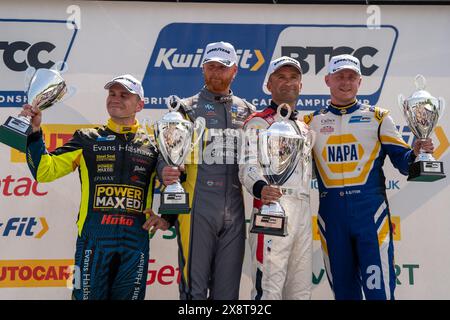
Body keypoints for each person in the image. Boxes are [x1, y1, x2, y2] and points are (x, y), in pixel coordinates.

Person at [304, 54, 434, 300]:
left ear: (360, 82)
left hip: (371, 215)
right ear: (327, 80)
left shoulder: (379, 117)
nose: (345, 82)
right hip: (332, 217)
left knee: (380, 292)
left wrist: (417, 152)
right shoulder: (312, 122)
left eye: (351, 77)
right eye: (340, 76)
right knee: (344, 294)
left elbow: (404, 164)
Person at [21, 74, 160, 300]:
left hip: (134, 245)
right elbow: (44, 171)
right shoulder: (87, 139)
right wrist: (35, 131)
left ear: (140, 105)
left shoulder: (154, 144)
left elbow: (176, 183)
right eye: (112, 94)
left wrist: (168, 217)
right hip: (92, 243)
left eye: (124, 95)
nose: (116, 98)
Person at [148, 41, 255, 300]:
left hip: (235, 208)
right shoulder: (185, 109)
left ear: (235, 71)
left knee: (228, 293)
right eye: (210, 66)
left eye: (222, 67)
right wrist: (166, 173)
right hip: (198, 206)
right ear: (202, 68)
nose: (216, 73)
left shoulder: (248, 111)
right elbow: (165, 155)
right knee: (194, 290)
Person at [239, 56, 314, 300]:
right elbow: (247, 165)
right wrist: (261, 188)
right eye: (280, 77)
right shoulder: (259, 121)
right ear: (269, 84)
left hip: (303, 210)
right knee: (268, 289)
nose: (288, 82)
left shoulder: (304, 127)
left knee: (300, 292)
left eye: (294, 78)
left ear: (301, 86)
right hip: (272, 207)